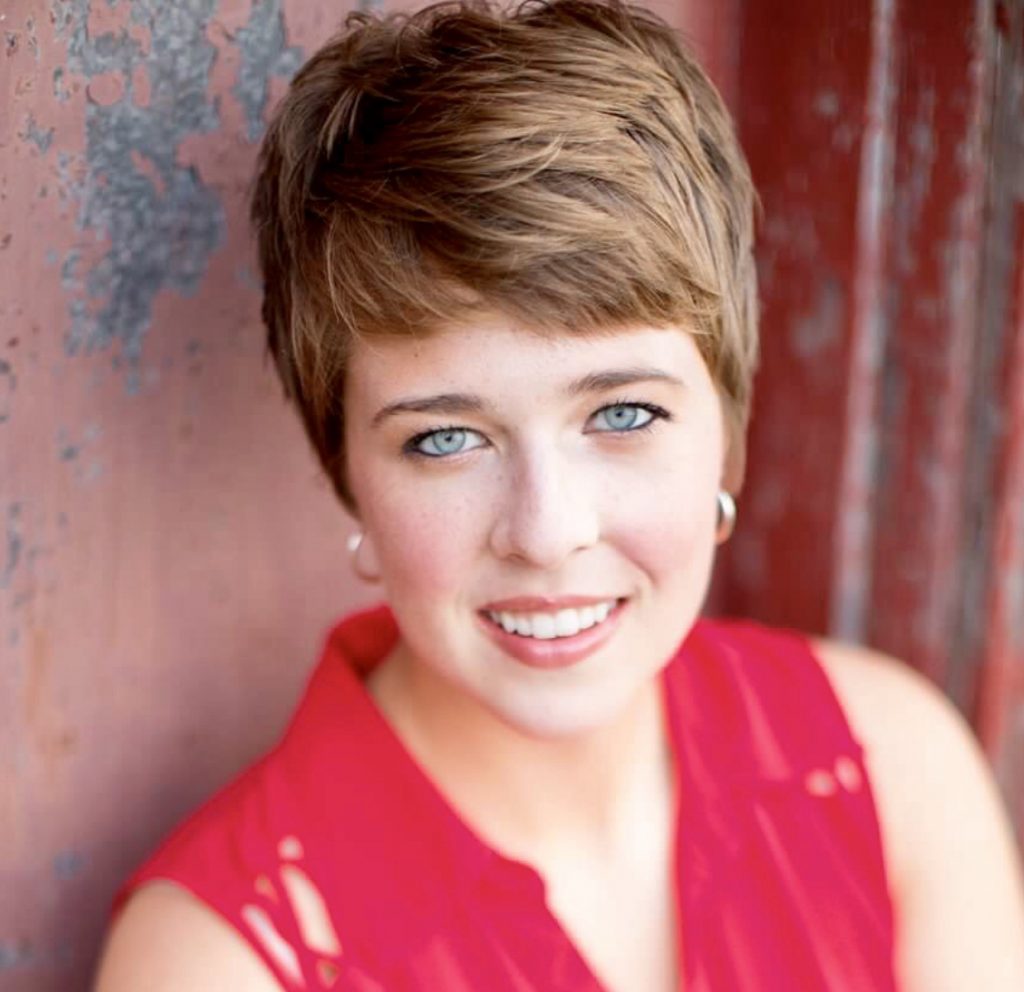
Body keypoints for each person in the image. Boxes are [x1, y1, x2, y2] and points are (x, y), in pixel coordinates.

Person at [94, 1, 1024, 989]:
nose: (546, 530)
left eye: (622, 414)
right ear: (349, 480)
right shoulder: (218, 959)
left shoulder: (891, 769)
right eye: (445, 437)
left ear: (727, 432)